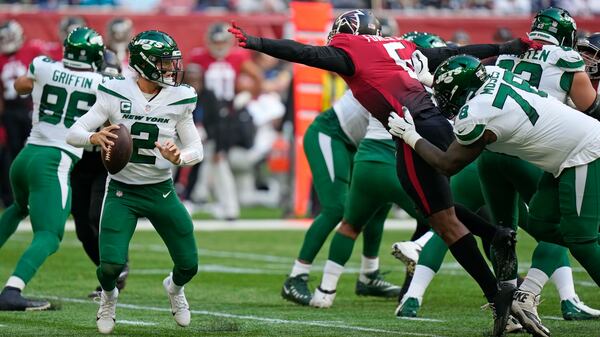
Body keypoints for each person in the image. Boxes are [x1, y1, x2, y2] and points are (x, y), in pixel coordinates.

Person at [229, 9, 539, 335]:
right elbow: (451, 53)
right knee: (436, 211)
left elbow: (305, 52)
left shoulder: (353, 49)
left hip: (413, 130)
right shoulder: (400, 45)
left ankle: (496, 291)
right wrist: (509, 46)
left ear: (346, 32)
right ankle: (494, 236)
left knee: (444, 222)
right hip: (425, 125)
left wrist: (255, 41)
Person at [397, 8, 600, 324]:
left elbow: (448, 163)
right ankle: (539, 297)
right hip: (543, 152)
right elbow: (591, 107)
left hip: (550, 152)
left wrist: (411, 132)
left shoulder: (503, 64)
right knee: (546, 228)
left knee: (558, 236)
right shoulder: (510, 70)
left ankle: (521, 299)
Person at [66, 29, 203, 334]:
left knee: (189, 265)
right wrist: (94, 136)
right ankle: (109, 298)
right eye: (164, 62)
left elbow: (197, 149)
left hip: (160, 191)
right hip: (122, 191)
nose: (170, 68)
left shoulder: (181, 97)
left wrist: (178, 156)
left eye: (171, 62)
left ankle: (175, 289)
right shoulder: (115, 90)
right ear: (145, 63)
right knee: (111, 265)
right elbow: (73, 132)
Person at [281, 19, 404, 307]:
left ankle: (369, 275)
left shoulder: (389, 68)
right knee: (337, 208)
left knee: (378, 204)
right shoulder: (385, 71)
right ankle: (296, 276)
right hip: (330, 134)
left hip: (359, 143)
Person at [0, 27, 105, 311]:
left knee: (18, 208)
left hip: (26, 156)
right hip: (54, 161)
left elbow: (20, 85)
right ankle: (12, 290)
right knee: (49, 234)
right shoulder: (102, 81)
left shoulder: (43, 65)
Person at [71, 48, 131, 298]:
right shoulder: (76, 87)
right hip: (79, 160)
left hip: (104, 163)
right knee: (83, 228)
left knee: (98, 214)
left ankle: (117, 269)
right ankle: (108, 271)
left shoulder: (121, 90)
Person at [189, 22, 263, 220]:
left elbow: (257, 77)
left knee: (217, 158)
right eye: (216, 41)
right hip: (205, 113)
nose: (219, 45)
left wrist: (247, 95)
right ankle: (201, 197)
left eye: (223, 41)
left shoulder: (238, 57)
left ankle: (203, 198)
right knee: (208, 158)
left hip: (228, 114)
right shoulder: (199, 58)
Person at [0, 20, 45, 207]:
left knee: (33, 152)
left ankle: (37, 196)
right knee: (12, 154)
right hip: (10, 112)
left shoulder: (33, 51)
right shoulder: (1, 58)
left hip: (30, 107)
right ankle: (15, 199)